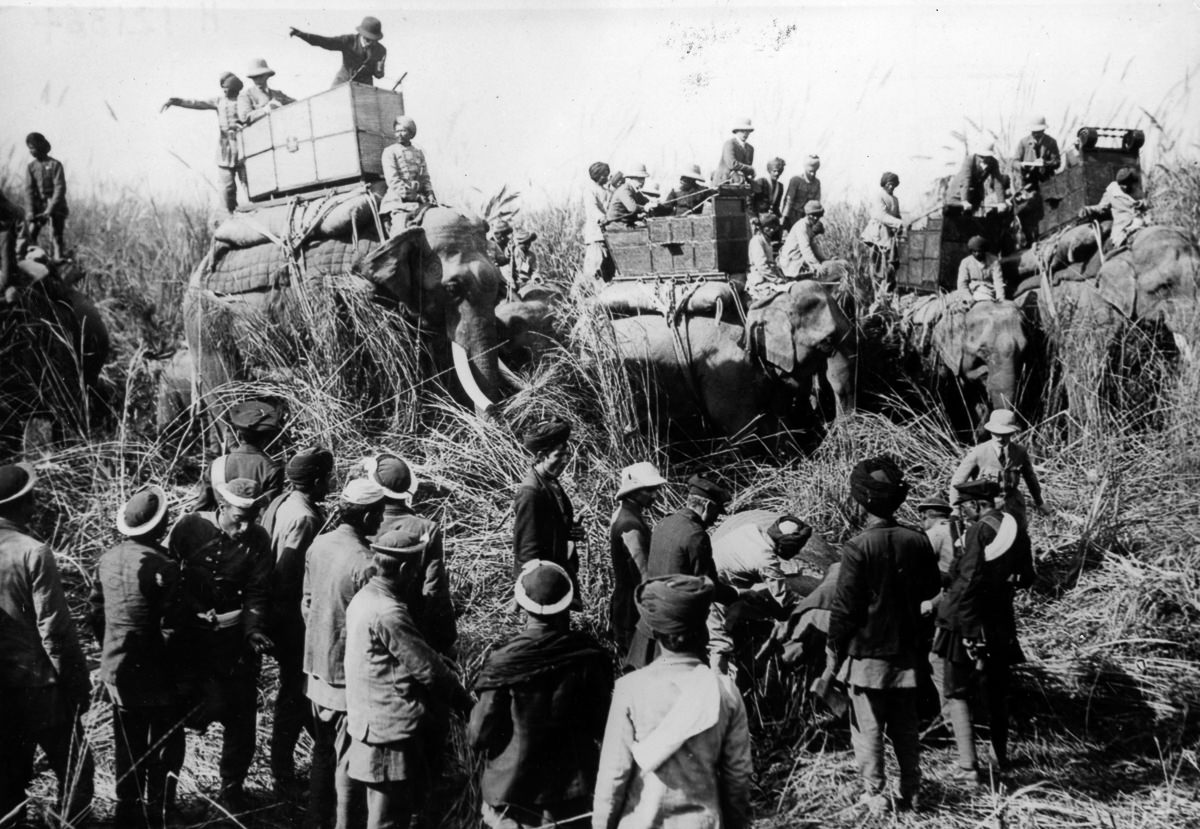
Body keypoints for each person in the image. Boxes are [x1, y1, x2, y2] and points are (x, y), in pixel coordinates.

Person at [592, 575, 753, 829]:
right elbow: (737, 778)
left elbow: (614, 775)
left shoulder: (630, 689)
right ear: (702, 629)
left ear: (655, 632)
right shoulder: (725, 690)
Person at [827, 457, 941, 813]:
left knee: (868, 728)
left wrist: (834, 647)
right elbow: (931, 588)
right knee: (906, 727)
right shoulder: (917, 539)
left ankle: (875, 794)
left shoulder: (857, 547)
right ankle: (913, 790)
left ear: (862, 502)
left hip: (867, 654)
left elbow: (845, 608)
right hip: (906, 652)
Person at [344, 527, 474, 829]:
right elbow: (429, 671)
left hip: (371, 723)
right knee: (387, 819)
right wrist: (465, 703)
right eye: (416, 566)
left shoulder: (366, 597)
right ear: (404, 568)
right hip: (389, 730)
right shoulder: (388, 611)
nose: (418, 573)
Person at [470, 560, 612, 828]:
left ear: (522, 605)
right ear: (568, 604)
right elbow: (602, 725)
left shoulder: (504, 661)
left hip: (512, 795)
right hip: (571, 796)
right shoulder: (587, 657)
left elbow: (479, 734)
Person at [168, 477, 275, 810]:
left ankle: (232, 790)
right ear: (222, 506)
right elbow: (168, 572)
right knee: (175, 717)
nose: (244, 526)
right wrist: (190, 610)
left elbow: (258, 589)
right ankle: (166, 797)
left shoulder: (258, 540)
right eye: (237, 517)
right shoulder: (189, 527)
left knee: (241, 716)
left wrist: (253, 628)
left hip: (233, 643)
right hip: (189, 642)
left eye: (251, 517)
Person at [0, 462, 94, 827]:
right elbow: (54, 630)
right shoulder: (33, 551)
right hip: (39, 686)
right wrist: (75, 682)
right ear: (22, 504)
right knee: (76, 770)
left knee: (7, 778)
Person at [89, 485, 185, 828]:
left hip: (118, 669)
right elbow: (172, 627)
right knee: (166, 742)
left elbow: (96, 613)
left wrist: (110, 647)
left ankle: (126, 811)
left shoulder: (107, 559)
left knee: (126, 741)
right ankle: (161, 809)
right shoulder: (165, 566)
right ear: (159, 527)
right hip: (157, 674)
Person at [933, 479, 1035, 779]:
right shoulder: (1015, 527)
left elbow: (968, 580)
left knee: (956, 688)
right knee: (998, 688)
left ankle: (968, 766)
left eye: (964, 506)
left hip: (968, 619)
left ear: (978, 504)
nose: (962, 513)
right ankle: (999, 758)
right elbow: (1026, 576)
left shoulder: (978, 530)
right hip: (1000, 618)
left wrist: (965, 627)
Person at [303, 476, 387, 829]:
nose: (382, 521)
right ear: (368, 518)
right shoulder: (366, 563)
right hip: (344, 680)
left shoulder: (318, 545)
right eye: (379, 515)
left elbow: (306, 604)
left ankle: (314, 819)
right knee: (348, 763)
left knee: (322, 753)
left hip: (315, 670)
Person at [261, 447, 335, 794]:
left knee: (297, 694)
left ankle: (296, 766)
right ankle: (283, 774)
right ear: (317, 480)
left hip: (280, 616)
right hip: (292, 621)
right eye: (328, 477)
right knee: (294, 694)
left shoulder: (283, 501)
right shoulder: (304, 518)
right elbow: (289, 576)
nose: (330, 482)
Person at [625, 475, 738, 670]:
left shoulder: (665, 523)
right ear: (707, 507)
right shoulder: (696, 535)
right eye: (716, 513)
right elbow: (708, 588)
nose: (714, 520)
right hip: (676, 635)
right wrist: (738, 594)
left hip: (649, 624)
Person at [365, 452, 457, 655]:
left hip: (367, 622)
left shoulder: (364, 522)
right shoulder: (426, 528)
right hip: (412, 626)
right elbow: (434, 588)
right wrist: (444, 639)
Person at [708, 514, 811, 672]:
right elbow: (785, 598)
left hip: (715, 579)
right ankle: (719, 687)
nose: (796, 554)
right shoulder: (766, 560)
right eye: (796, 548)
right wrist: (809, 603)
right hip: (716, 594)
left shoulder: (751, 529)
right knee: (720, 646)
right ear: (787, 545)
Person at [513, 419, 583, 599]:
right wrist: (531, 591)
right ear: (542, 456)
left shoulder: (551, 483)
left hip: (556, 575)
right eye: (559, 455)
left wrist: (570, 531)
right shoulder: (530, 492)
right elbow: (526, 549)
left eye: (567, 455)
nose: (565, 461)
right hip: (541, 584)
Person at [161, 72, 247, 213]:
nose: (224, 90)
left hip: (244, 145)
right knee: (226, 185)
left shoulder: (244, 101)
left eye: (227, 88)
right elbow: (198, 103)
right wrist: (177, 101)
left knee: (249, 180)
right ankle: (229, 213)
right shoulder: (219, 101)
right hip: (225, 148)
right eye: (223, 88)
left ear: (235, 89)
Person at [950, 409, 1050, 530]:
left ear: (1012, 433)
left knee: (1019, 540)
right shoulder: (978, 453)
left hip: (1014, 508)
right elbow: (957, 482)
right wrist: (955, 510)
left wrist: (1040, 503)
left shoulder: (1020, 452)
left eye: (1005, 434)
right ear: (990, 432)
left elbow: (1031, 479)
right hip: (987, 511)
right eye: (996, 433)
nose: (1000, 438)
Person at [608, 462, 667, 651]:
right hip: (632, 611)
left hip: (627, 604)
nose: (655, 496)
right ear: (633, 491)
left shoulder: (623, 514)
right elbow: (643, 575)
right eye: (649, 490)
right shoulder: (630, 525)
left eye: (656, 490)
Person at [199, 399, 285, 509]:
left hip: (219, 525)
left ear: (238, 435)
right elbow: (268, 513)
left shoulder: (216, 465)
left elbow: (200, 509)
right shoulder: (272, 470)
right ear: (267, 438)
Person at [290, 16, 387, 87]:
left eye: (374, 40)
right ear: (362, 34)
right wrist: (301, 35)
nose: (371, 43)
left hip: (365, 87)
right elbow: (326, 42)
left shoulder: (381, 50)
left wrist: (379, 71)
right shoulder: (348, 40)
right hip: (343, 82)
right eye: (368, 39)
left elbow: (379, 75)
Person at [379, 116, 437, 234]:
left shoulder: (418, 152)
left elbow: (425, 177)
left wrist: (429, 193)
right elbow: (392, 180)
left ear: (411, 134)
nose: (399, 134)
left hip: (420, 199)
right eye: (397, 131)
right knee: (400, 230)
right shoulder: (390, 152)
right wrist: (414, 196)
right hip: (397, 200)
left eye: (403, 131)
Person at [1011, 117, 1061, 244]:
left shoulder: (1051, 142)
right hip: (1028, 182)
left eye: (1039, 132)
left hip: (1046, 181)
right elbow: (1014, 161)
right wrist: (1021, 165)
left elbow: (1057, 162)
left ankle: (1047, 236)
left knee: (1047, 208)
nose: (1036, 134)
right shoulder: (1023, 142)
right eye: (1034, 132)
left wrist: (1046, 163)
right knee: (1027, 210)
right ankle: (1029, 239)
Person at [21, 132, 69, 260]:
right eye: (29, 148)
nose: (31, 151)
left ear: (40, 146)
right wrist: (30, 211)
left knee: (56, 235)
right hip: (38, 208)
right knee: (30, 234)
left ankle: (58, 259)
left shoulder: (55, 165)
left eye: (33, 147)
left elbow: (60, 188)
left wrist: (50, 209)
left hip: (56, 206)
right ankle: (27, 260)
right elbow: (29, 191)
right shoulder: (31, 167)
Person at [1078, 167, 1148, 250]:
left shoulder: (1137, 188)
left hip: (1142, 221)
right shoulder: (1112, 191)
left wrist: (1142, 203)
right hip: (1124, 226)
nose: (1124, 187)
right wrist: (1088, 210)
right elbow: (1102, 207)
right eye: (1122, 185)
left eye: (1127, 185)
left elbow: (1147, 201)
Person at [860, 172, 905, 281]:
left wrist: (901, 224)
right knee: (877, 261)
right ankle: (876, 286)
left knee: (890, 261)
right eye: (889, 183)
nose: (891, 186)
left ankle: (887, 284)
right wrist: (899, 223)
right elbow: (881, 216)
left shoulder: (895, 199)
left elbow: (897, 215)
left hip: (890, 234)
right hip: (878, 233)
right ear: (884, 183)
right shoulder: (879, 196)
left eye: (894, 184)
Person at [779, 200, 830, 278]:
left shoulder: (809, 226)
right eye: (813, 215)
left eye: (818, 215)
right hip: (791, 260)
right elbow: (805, 248)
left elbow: (813, 246)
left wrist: (824, 259)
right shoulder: (802, 226)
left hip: (798, 257)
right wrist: (816, 265)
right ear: (807, 214)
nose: (816, 218)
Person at [582, 162, 615, 282]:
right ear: (596, 175)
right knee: (595, 267)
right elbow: (592, 208)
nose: (606, 178)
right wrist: (602, 218)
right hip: (596, 234)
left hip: (607, 234)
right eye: (604, 175)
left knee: (608, 267)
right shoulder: (590, 190)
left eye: (607, 175)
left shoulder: (607, 191)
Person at [237, 58, 295, 124]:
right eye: (255, 77)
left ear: (267, 76)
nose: (258, 80)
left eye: (261, 76)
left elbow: (296, 104)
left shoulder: (278, 94)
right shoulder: (245, 96)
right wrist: (265, 110)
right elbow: (244, 117)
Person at [746, 212, 788, 301]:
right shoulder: (757, 241)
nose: (772, 230)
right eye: (769, 227)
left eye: (774, 227)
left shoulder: (767, 240)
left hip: (770, 278)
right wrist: (776, 280)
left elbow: (772, 264)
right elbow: (761, 265)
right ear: (763, 228)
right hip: (760, 280)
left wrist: (781, 277)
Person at [956, 236, 1005, 303]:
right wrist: (969, 298)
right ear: (971, 251)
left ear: (984, 251)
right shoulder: (965, 262)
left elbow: (998, 281)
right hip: (972, 291)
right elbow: (962, 284)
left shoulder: (994, 260)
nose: (977, 254)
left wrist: (1000, 298)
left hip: (989, 291)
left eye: (980, 251)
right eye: (974, 251)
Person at [780, 154, 822, 230]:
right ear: (805, 169)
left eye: (814, 172)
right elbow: (789, 201)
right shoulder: (796, 180)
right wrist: (784, 217)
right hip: (793, 215)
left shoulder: (817, 183)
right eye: (810, 171)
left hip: (807, 216)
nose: (812, 174)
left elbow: (816, 202)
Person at [714, 118, 756, 186]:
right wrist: (750, 169)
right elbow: (732, 164)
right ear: (736, 131)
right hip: (724, 181)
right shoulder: (729, 144)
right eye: (742, 131)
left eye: (747, 131)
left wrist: (750, 172)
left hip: (740, 182)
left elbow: (747, 169)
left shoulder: (750, 149)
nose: (745, 134)